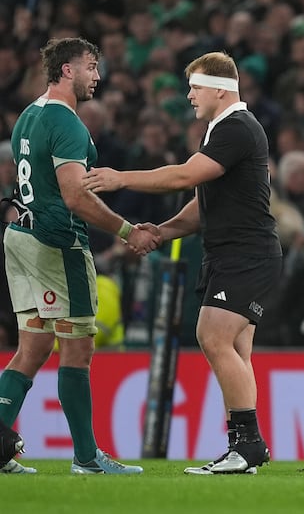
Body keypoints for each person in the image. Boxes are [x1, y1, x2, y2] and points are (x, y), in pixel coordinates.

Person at [83, 51, 281, 475]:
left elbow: (183, 177)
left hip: (245, 255)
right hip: (235, 253)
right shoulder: (224, 131)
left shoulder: (236, 128)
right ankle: (245, 446)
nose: (189, 95)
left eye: (194, 87)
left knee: (212, 335)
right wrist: (162, 231)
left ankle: (247, 445)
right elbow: (201, 202)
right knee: (236, 348)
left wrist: (121, 178)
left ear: (218, 89)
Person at [0, 37, 157, 475]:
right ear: (67, 70)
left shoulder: (28, 115)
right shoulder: (68, 124)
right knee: (78, 349)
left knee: (31, 348)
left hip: (20, 237)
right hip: (56, 245)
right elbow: (75, 196)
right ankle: (87, 458)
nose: (97, 76)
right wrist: (127, 232)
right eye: (91, 66)